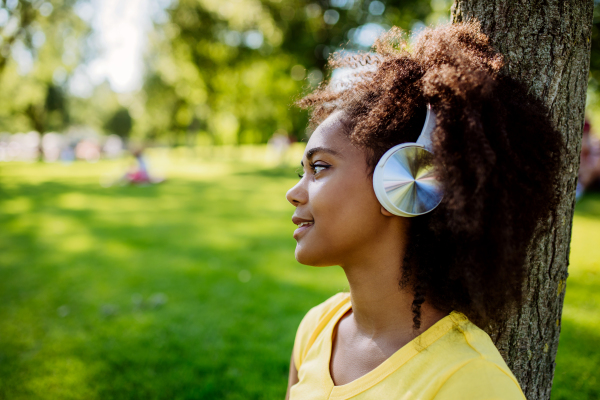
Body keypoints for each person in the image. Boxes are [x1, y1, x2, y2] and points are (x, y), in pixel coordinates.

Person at [284, 23, 563, 400]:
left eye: (319, 167)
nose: (293, 193)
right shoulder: (316, 327)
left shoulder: (471, 381)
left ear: (404, 180)